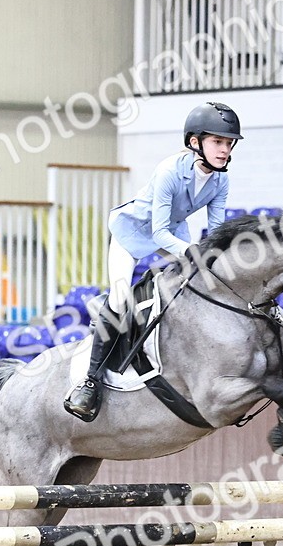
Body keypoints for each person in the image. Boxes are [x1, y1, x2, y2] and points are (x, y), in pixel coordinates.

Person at [63, 101, 242, 422]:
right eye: (218, 142)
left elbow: (216, 231)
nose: (224, 150)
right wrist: (192, 251)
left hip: (173, 234)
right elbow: (158, 232)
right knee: (120, 299)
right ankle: (90, 382)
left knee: (200, 283)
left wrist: (219, 256)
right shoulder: (169, 171)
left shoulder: (220, 180)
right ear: (195, 142)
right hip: (133, 233)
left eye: (229, 143)